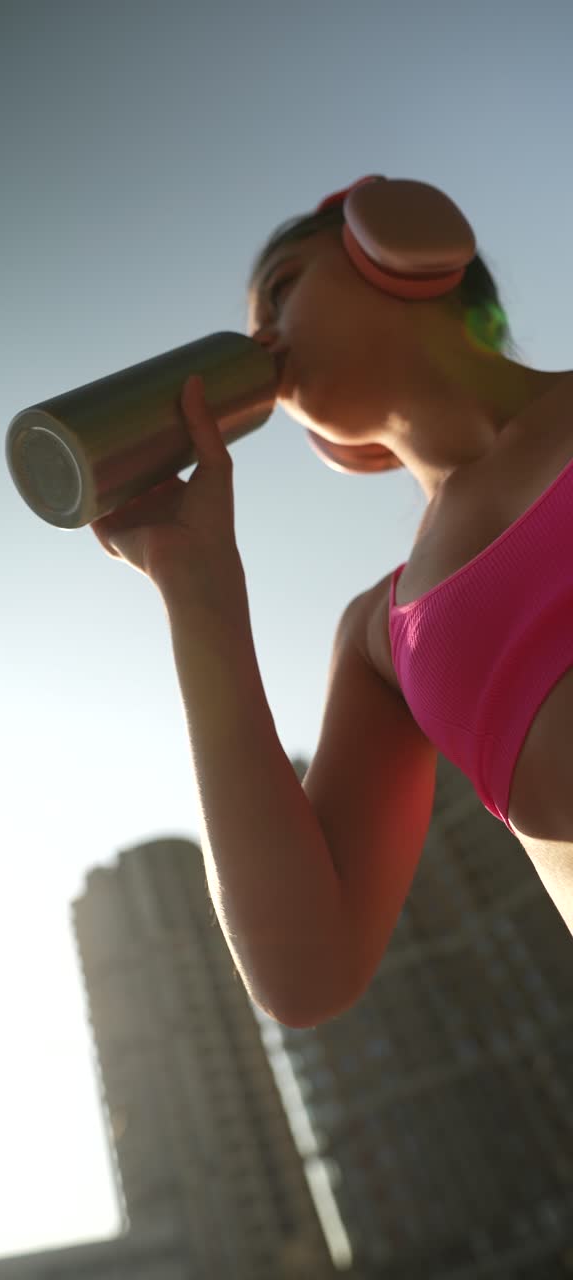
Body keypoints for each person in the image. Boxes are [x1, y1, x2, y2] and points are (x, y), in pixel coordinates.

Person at [90, 178, 573, 1027]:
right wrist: (197, 593)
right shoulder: (380, 638)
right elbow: (306, 972)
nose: (263, 338)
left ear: (397, 243)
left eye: (282, 288)